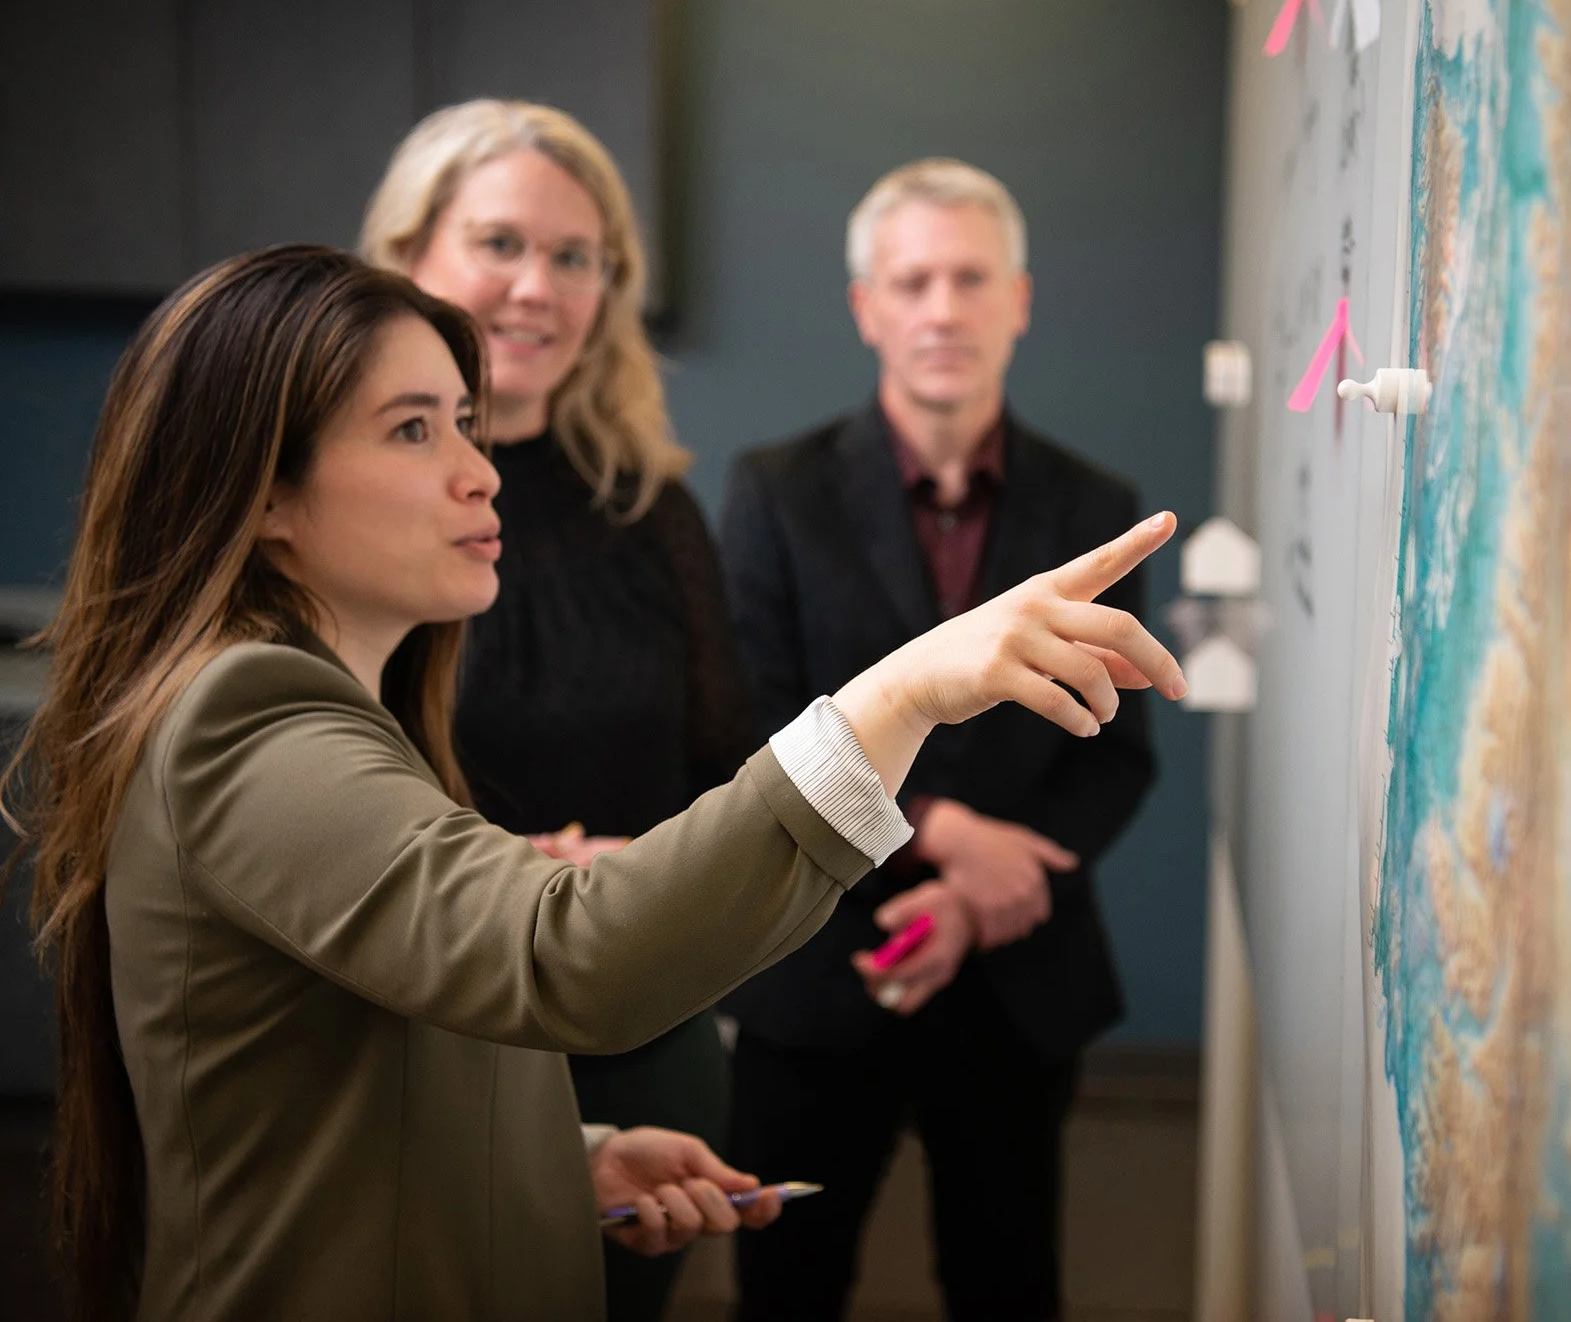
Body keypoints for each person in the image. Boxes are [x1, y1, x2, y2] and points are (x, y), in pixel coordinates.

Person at [0, 244, 1185, 1322]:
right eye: (414, 430)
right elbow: (564, 956)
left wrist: (562, 1163)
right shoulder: (245, 716)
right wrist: (901, 693)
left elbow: (342, 1076)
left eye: (466, 424)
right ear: (261, 490)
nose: (481, 473)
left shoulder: (321, 711)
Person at [720, 159, 1159, 1321]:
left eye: (970, 278)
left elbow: (1117, 755)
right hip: (820, 962)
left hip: (1017, 973)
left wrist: (976, 895)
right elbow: (751, 729)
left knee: (1008, 1284)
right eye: (911, 280)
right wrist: (950, 837)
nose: (942, 309)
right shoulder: (774, 494)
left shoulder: (1094, 504)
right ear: (866, 307)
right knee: (788, 1289)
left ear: (1018, 300)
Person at [358, 99, 745, 1322]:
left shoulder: (655, 510)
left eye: (575, 258)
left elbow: (723, 765)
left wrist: (647, 867)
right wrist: (512, 873)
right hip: (422, 1043)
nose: (538, 288)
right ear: (408, 259)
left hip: (641, 1022)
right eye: (500, 243)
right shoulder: (346, 509)